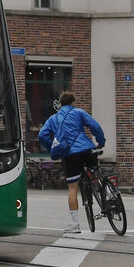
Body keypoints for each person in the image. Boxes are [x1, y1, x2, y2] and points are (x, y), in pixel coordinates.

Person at [37, 91, 105, 234]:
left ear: (60, 104)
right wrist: (101, 143)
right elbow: (96, 127)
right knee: (96, 173)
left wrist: (52, 147)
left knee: (73, 188)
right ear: (73, 102)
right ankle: (109, 195)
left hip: (70, 155)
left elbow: (42, 135)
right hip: (87, 149)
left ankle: (75, 224)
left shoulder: (53, 118)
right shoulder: (79, 112)